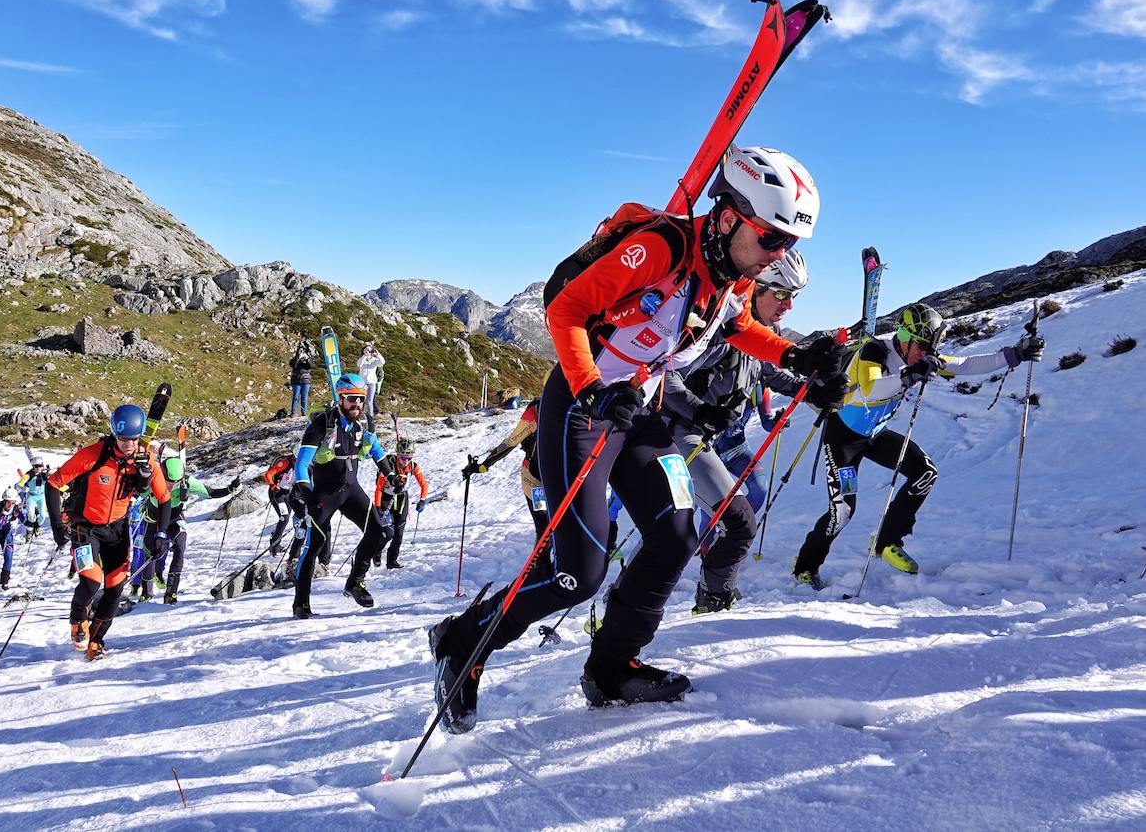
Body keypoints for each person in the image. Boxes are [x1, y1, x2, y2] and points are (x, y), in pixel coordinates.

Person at [428, 145, 848, 734]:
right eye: (772, 238)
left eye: (791, 244)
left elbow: (738, 327)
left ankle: (612, 668)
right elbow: (566, 309)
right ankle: (463, 640)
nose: (780, 255)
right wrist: (593, 388)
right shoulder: (660, 248)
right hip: (583, 407)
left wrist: (797, 355)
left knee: (677, 533)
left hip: (638, 411)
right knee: (578, 575)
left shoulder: (729, 274)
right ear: (728, 218)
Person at [792, 301, 1045, 587]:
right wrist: (908, 376)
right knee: (843, 511)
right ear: (906, 338)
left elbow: (963, 365)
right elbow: (871, 388)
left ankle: (887, 543)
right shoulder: (874, 350)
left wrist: (1014, 354)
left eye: (929, 347)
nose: (926, 353)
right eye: (922, 346)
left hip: (874, 435)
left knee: (925, 472)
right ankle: (805, 567)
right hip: (843, 440)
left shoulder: (921, 356)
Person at [655, 250, 809, 614]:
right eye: (781, 293)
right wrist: (699, 409)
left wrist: (811, 385)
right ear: (755, 289)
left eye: (794, 296)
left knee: (747, 502)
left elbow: (769, 372)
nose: (788, 305)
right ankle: (626, 602)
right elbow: (667, 372)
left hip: (725, 440)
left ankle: (712, 594)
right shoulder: (719, 332)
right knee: (671, 530)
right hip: (683, 437)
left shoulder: (766, 334)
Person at [46, 404, 172, 660]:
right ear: (114, 434)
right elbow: (53, 483)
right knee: (91, 581)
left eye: (134, 440)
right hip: (85, 528)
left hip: (117, 530)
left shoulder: (145, 461)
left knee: (115, 589)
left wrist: (160, 535)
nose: (128, 444)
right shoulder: (94, 455)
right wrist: (58, 525)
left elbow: (164, 498)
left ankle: (96, 639)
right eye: (123, 439)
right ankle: (78, 619)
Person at [288, 373, 402, 619]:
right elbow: (302, 464)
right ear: (340, 398)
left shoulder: (365, 422)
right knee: (314, 545)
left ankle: (355, 582)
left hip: (351, 489)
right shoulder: (322, 424)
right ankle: (301, 604)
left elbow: (376, 452)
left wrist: (391, 476)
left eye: (361, 399)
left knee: (380, 531)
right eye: (352, 399)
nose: (357, 404)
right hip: (323, 494)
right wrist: (306, 493)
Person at [147, 455, 233, 604]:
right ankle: (146, 592)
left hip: (174, 518)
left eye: (176, 482)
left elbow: (211, 492)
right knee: (152, 553)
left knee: (180, 546)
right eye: (169, 481)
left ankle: (171, 593)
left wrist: (230, 489)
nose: (172, 486)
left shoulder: (186, 482)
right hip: (155, 519)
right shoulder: (152, 479)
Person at [461, 399, 545, 542]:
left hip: (560, 482)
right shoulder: (537, 411)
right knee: (544, 528)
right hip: (534, 481)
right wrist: (483, 466)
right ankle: (541, 563)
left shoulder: (580, 408)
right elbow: (510, 442)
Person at [372, 437, 429, 569]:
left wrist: (422, 500)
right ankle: (377, 551)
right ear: (397, 455)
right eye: (403, 458)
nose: (406, 461)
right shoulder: (388, 466)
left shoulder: (413, 466)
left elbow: (424, 484)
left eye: (409, 458)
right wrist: (378, 507)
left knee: (399, 534)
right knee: (388, 533)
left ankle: (392, 561)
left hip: (402, 500)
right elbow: (379, 488)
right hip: (386, 498)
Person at [262, 453, 295, 556]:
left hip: (287, 494)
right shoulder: (284, 463)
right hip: (277, 494)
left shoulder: (302, 463)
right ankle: (275, 546)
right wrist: (272, 485)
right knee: (284, 518)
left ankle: (276, 541)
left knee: (286, 519)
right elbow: (268, 474)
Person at [357, 344, 386, 416]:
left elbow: (382, 362)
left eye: (370, 350)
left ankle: (370, 417)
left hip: (371, 383)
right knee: (361, 400)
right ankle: (360, 415)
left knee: (369, 401)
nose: (368, 351)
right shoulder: (362, 359)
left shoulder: (374, 360)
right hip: (362, 383)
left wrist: (378, 354)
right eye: (366, 349)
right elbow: (359, 364)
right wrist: (365, 355)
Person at [289, 342, 313, 417]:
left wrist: (307, 359)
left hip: (306, 380)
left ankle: (304, 412)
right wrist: (298, 357)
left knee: (304, 397)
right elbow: (293, 365)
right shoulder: (295, 359)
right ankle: (293, 412)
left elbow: (313, 366)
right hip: (296, 380)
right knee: (295, 396)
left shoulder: (308, 359)